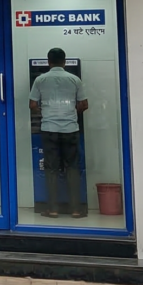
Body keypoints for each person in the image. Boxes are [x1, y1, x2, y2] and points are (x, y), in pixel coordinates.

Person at [28, 48, 89, 219]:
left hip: (49, 129)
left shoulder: (40, 79)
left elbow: (32, 105)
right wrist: (72, 112)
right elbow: (84, 104)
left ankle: (53, 209)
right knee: (72, 167)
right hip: (70, 129)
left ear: (49, 61)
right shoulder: (74, 79)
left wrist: (45, 112)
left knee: (51, 169)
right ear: (64, 61)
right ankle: (76, 209)